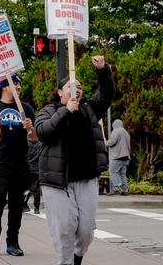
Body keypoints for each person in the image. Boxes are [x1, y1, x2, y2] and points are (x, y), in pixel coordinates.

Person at [34, 55, 114, 265]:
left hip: (87, 178)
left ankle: (78, 255)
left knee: (87, 229)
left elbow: (107, 94)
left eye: (79, 86)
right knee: (64, 228)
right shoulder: (49, 111)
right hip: (58, 182)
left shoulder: (89, 108)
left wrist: (103, 70)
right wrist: (65, 111)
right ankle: (66, 262)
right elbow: (43, 131)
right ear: (60, 92)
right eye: (70, 86)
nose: (76, 89)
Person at [0, 75, 35, 256]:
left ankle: (12, 241)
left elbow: (35, 137)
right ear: (5, 87)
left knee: (16, 204)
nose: (19, 87)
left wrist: (31, 128)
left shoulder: (26, 108)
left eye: (19, 83)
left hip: (19, 163)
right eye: (15, 84)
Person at [105, 119, 131, 196]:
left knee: (112, 172)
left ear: (114, 125)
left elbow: (111, 142)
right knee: (123, 174)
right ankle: (125, 190)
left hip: (117, 156)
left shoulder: (116, 131)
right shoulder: (126, 133)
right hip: (126, 157)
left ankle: (116, 187)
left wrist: (105, 142)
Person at [23, 135, 42, 214]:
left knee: (25, 188)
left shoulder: (25, 144)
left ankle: (24, 205)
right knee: (36, 189)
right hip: (37, 169)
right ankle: (36, 208)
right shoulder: (40, 145)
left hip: (27, 169)